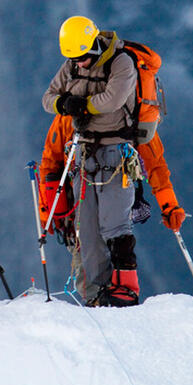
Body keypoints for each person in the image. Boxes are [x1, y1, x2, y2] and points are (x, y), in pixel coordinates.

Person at [42, 15, 149, 307]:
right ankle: (96, 294)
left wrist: (81, 106)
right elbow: (48, 97)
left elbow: (114, 100)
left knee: (114, 224)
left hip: (116, 150)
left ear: (93, 47)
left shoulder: (121, 62)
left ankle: (125, 291)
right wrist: (63, 104)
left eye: (83, 58)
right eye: (75, 59)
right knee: (86, 228)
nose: (79, 63)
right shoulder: (73, 63)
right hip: (83, 152)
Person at [37, 112, 186, 302]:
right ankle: (119, 299)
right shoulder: (130, 111)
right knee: (116, 239)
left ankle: (97, 303)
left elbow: (51, 161)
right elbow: (155, 163)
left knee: (87, 252)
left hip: (77, 204)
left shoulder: (69, 114)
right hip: (114, 192)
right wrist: (169, 204)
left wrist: (47, 210)